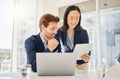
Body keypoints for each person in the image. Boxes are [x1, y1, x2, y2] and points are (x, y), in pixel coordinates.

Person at [58, 5, 91, 70]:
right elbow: (57, 50)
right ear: (66, 17)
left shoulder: (83, 32)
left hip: (81, 66)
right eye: (71, 18)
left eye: (77, 18)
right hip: (65, 66)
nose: (74, 21)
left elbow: (87, 52)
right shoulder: (60, 32)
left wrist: (87, 58)